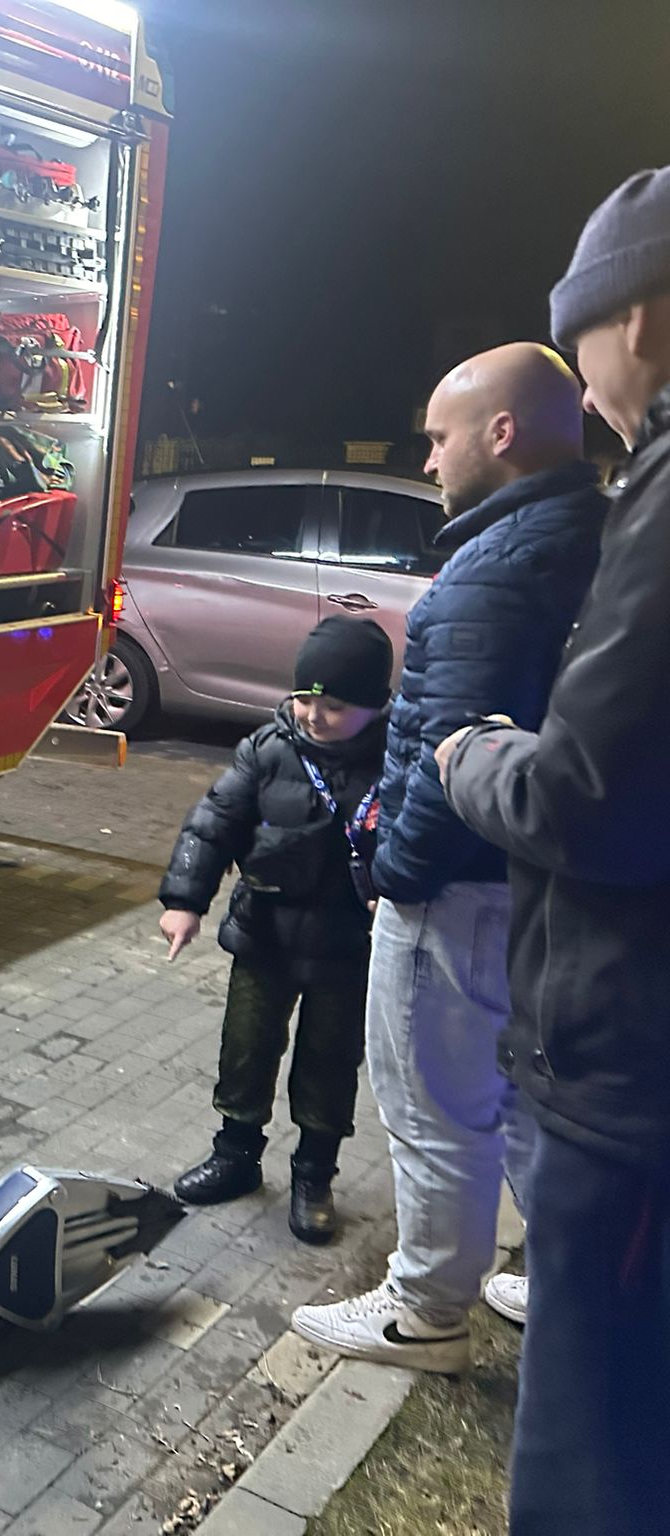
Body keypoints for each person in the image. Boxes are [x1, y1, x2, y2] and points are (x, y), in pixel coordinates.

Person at [292, 345, 607, 1373]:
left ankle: (424, 1311)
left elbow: (449, 742)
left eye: (438, 437)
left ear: (499, 432)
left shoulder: (495, 565)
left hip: (455, 887)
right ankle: (563, 1282)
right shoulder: (593, 531)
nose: (427, 460)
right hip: (532, 886)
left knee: (433, 1103)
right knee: (520, 1097)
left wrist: (394, 873)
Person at [436, 166, 670, 1536]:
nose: (585, 384)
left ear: (636, 316)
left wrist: (471, 756)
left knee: (595, 1458)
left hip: (632, 1077)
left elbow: (590, 793)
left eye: (581, 339)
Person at [159, 619, 392, 1244]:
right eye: (306, 698)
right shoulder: (267, 749)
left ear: (373, 706)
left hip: (347, 946)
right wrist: (185, 899)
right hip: (265, 933)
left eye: (334, 705)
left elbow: (415, 840)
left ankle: (314, 1175)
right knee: (246, 1048)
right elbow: (213, 823)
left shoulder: (395, 762)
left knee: (331, 1062)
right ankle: (235, 1154)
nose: (314, 715)